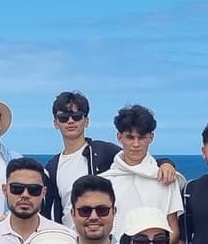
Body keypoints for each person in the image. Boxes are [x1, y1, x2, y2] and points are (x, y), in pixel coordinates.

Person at [41, 92, 176, 228]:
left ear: (86, 121)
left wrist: (166, 163)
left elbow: (135, 160)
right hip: (69, 235)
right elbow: (50, 207)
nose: (70, 121)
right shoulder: (52, 167)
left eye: (76, 116)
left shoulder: (104, 151)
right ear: (56, 123)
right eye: (63, 117)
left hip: (99, 233)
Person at [104, 104, 184, 244]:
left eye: (141, 138)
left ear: (151, 137)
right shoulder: (105, 181)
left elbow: (173, 229)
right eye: (130, 137)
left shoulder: (166, 179)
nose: (136, 144)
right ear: (119, 137)